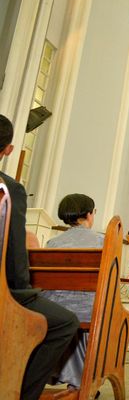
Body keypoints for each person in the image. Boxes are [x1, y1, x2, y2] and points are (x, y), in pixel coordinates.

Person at [0, 114, 79, 400]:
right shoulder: (9, 189)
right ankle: (21, 394)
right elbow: (13, 248)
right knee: (64, 322)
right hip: (6, 291)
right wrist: (21, 289)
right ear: (8, 149)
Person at [40, 193, 103, 392]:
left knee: (66, 315)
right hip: (90, 309)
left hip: (56, 309)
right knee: (87, 315)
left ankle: (72, 377)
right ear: (89, 214)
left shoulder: (53, 243)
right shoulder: (102, 242)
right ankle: (84, 380)